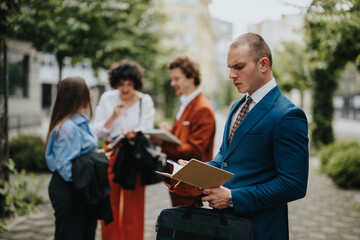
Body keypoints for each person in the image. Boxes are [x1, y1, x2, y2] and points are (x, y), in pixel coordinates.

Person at [180, 33, 309, 240]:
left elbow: (293, 184)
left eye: (238, 67)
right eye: (229, 68)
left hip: (261, 230)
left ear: (263, 64)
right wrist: (193, 174)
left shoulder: (287, 115)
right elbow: (226, 157)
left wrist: (232, 198)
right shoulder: (237, 106)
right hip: (225, 226)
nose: (231, 75)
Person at [91, 59, 155, 240]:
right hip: (111, 153)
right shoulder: (107, 98)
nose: (125, 89)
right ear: (115, 83)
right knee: (109, 204)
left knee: (133, 206)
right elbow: (96, 130)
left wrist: (135, 133)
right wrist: (113, 117)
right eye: (121, 85)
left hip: (133, 156)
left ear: (135, 83)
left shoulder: (145, 101)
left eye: (129, 84)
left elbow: (148, 129)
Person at [152, 55, 216, 207]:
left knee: (189, 229)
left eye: (177, 78)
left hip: (190, 185)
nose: (173, 83)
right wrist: (169, 133)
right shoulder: (187, 104)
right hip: (180, 182)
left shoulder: (202, 108)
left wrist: (162, 143)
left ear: (191, 77)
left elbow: (195, 150)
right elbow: (183, 139)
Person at [45, 77, 99, 240]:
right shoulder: (67, 128)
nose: (89, 96)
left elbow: (78, 155)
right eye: (87, 93)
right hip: (71, 189)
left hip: (79, 187)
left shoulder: (79, 123)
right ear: (77, 96)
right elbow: (65, 167)